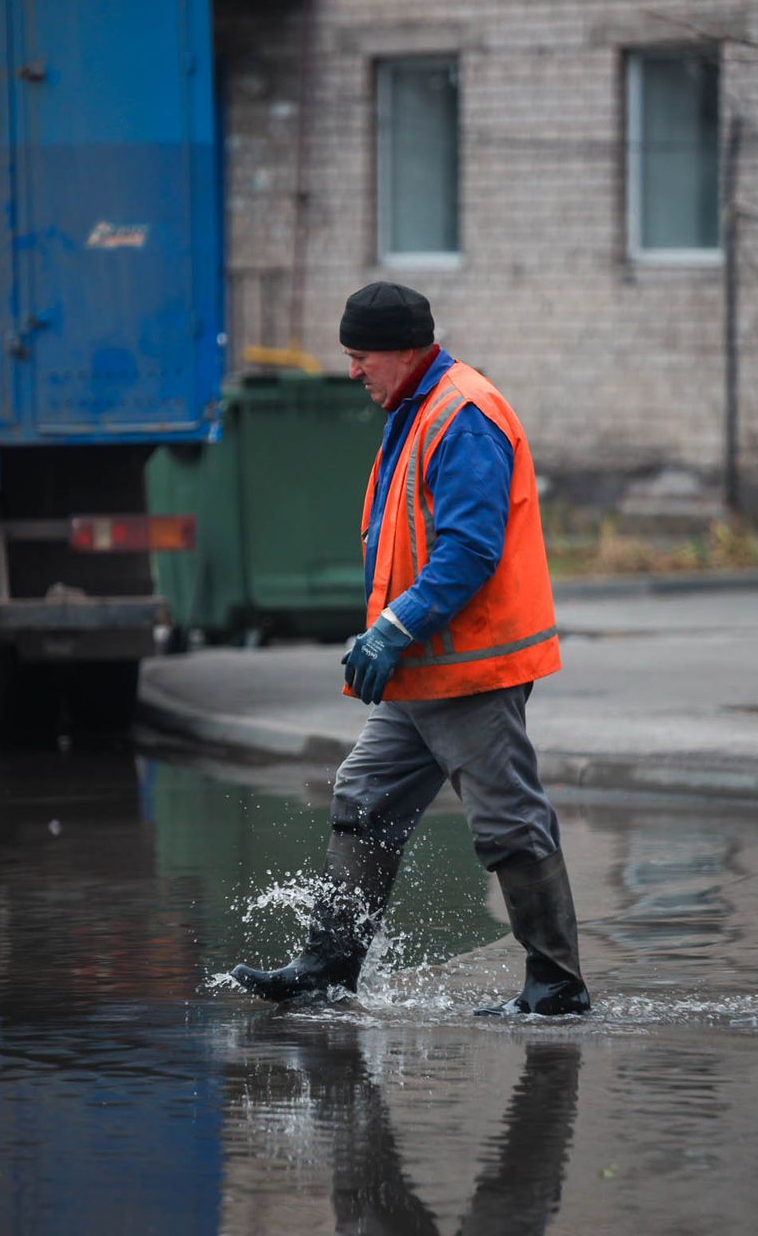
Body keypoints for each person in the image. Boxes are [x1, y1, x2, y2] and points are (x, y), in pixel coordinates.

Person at [231, 281, 590, 1016]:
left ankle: (556, 984)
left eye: (361, 357)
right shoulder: (417, 408)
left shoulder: (461, 415)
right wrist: (395, 635)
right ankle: (329, 967)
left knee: (507, 821)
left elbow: (468, 549)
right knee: (363, 797)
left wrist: (394, 626)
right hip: (425, 668)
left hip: (468, 669)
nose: (354, 371)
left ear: (404, 350)